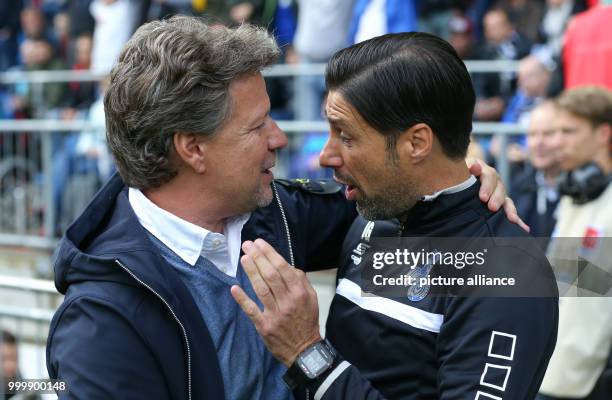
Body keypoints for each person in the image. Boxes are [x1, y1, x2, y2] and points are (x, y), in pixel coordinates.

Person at [46, 16, 517, 399]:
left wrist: (456, 178)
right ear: (193, 148)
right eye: (257, 126)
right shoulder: (101, 323)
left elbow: (538, 270)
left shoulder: (274, 213)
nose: (280, 138)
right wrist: (308, 353)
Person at [232, 32, 558, 399]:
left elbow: (588, 275)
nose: (326, 155)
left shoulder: (506, 273)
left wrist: (309, 356)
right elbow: (225, 202)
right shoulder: (374, 205)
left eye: (346, 135)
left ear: (417, 142)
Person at [538, 86, 612, 400]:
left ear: (603, 134)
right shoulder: (575, 195)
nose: (556, 142)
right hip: (554, 373)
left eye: (568, 131)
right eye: (554, 132)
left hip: (589, 382)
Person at [510, 101, 561, 242]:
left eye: (548, 133)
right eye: (532, 134)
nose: (538, 142)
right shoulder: (520, 186)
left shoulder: (586, 190)